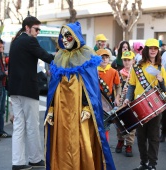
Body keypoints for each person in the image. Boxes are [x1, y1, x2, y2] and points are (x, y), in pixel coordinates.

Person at [44, 22, 116, 170]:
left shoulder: (86, 55)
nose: (64, 39)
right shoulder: (59, 57)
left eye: (68, 36)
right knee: (62, 144)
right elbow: (53, 87)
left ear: (76, 37)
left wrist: (87, 108)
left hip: (80, 111)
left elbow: (90, 88)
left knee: (81, 144)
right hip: (61, 113)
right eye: (62, 36)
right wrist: (51, 109)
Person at [8, 16, 54, 170]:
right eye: (36, 29)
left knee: (19, 126)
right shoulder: (29, 40)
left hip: (14, 90)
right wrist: (63, 59)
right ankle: (34, 159)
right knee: (32, 125)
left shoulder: (16, 41)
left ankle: (18, 162)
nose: (38, 32)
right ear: (27, 28)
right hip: (27, 89)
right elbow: (46, 56)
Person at [124, 38, 166, 170]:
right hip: (139, 106)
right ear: (146, 50)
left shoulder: (160, 68)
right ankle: (143, 163)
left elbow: (165, 90)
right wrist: (127, 99)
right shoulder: (137, 67)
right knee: (141, 137)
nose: (153, 50)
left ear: (157, 51)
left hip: (156, 106)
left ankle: (152, 165)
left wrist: (161, 81)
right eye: (151, 48)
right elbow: (131, 86)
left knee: (153, 137)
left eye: (155, 48)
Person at [96, 49, 121, 141]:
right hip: (95, 102)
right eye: (102, 57)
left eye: (106, 57)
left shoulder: (113, 71)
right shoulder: (93, 71)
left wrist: (117, 97)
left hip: (107, 104)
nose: (104, 59)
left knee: (106, 126)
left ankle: (105, 148)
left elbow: (118, 86)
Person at [115, 50, 136, 157]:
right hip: (121, 101)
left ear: (133, 60)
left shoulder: (136, 73)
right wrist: (117, 96)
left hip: (131, 101)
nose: (127, 62)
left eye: (129, 60)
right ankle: (120, 140)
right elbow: (116, 87)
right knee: (119, 121)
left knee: (131, 122)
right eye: (125, 60)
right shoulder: (119, 73)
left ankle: (129, 144)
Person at [0, 38, 11, 141]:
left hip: (2, 86)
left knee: (1, 111)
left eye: (2, 47)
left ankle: (0, 131)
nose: (1, 49)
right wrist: (4, 73)